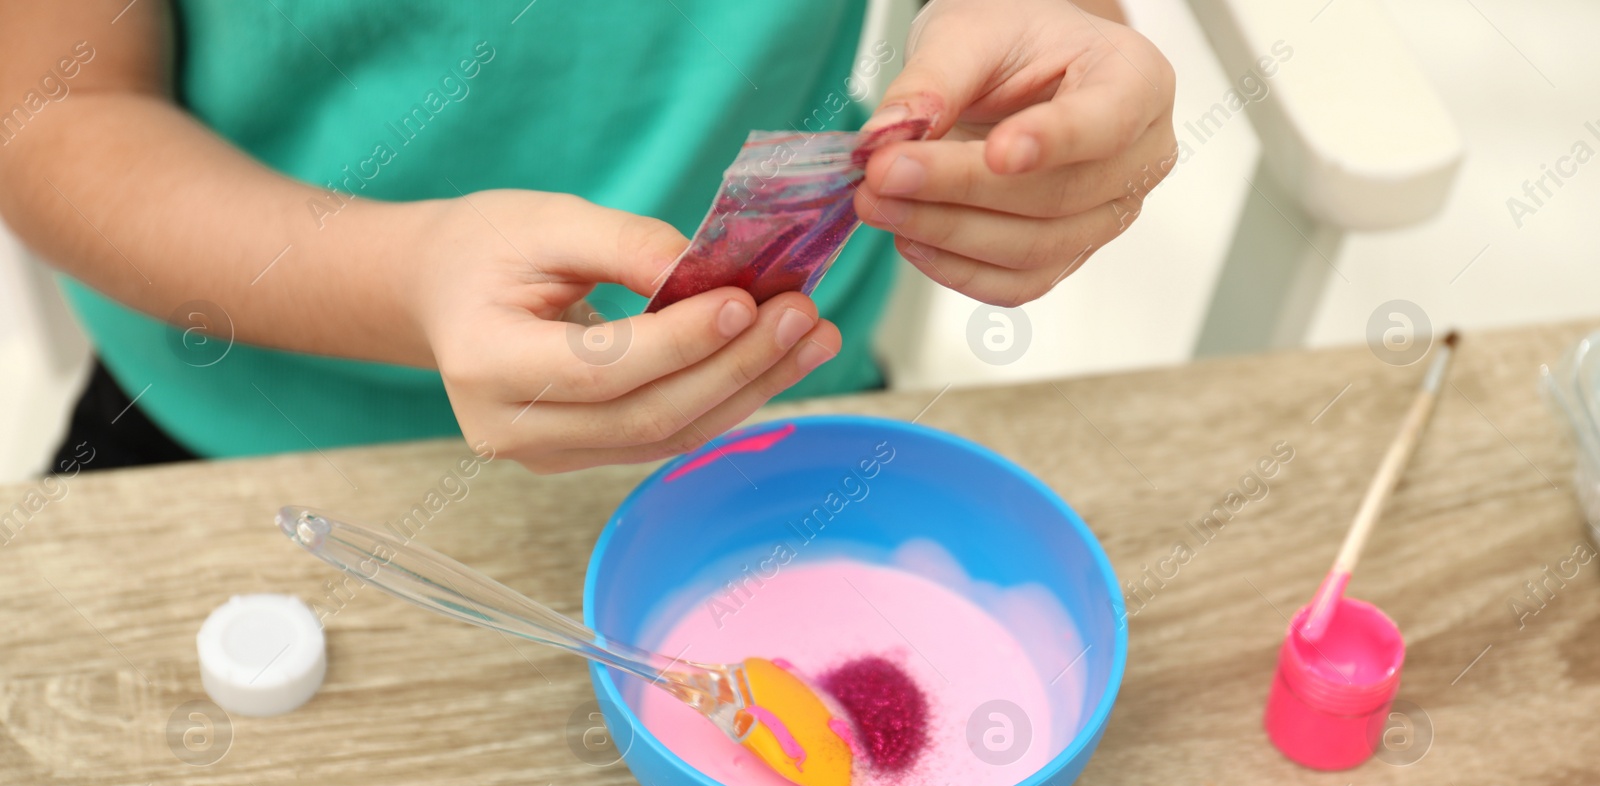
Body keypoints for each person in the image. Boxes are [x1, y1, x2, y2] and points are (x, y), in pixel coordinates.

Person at [0, 0, 1175, 474]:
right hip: (229, 436)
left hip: (777, 407)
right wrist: (404, 278)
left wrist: (1060, 54)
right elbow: (51, 111)